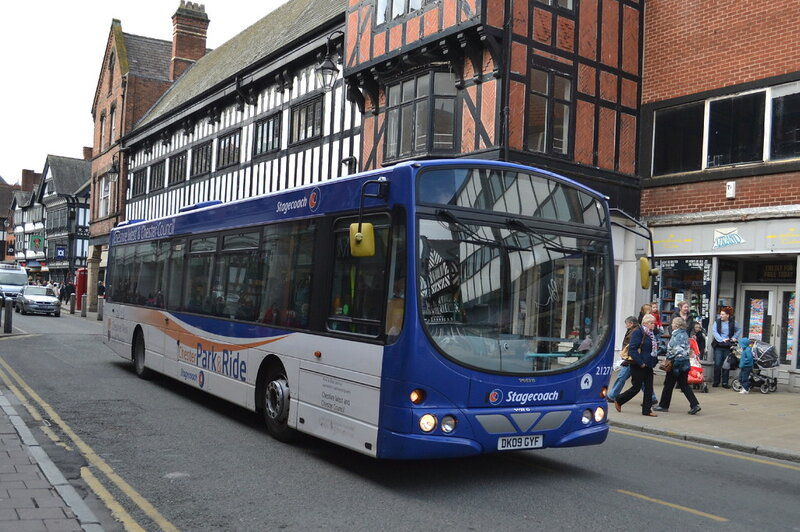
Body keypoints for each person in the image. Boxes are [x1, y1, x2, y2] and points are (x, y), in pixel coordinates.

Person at [653, 317, 701, 415]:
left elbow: (676, 350)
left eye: (673, 323)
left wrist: (668, 357)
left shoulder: (677, 335)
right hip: (684, 363)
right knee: (684, 385)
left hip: (676, 364)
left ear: (677, 325)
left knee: (668, 385)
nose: (672, 324)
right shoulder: (684, 334)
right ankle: (695, 404)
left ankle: (663, 405)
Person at [614, 314, 659, 417]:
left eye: (654, 323)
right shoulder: (638, 332)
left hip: (649, 364)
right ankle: (619, 399)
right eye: (651, 323)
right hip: (638, 365)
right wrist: (641, 363)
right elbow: (632, 350)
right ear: (644, 323)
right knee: (636, 387)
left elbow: (652, 349)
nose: (653, 325)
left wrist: (654, 360)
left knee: (649, 388)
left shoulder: (651, 334)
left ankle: (647, 410)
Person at [711, 306, 741, 388]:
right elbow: (714, 331)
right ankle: (716, 381)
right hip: (719, 345)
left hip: (728, 346)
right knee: (717, 364)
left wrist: (734, 337)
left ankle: (725, 382)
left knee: (726, 364)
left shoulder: (733, 322)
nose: (720, 316)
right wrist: (721, 339)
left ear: (728, 315)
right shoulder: (717, 322)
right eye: (720, 314)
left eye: (722, 314)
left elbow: (739, 329)